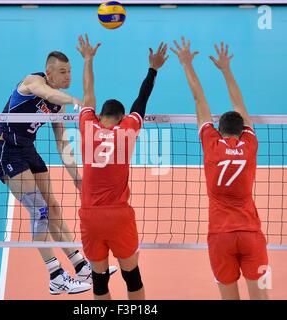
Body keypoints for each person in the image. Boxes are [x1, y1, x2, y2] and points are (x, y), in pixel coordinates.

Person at [0, 51, 116, 295]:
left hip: (27, 149)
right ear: (49, 73)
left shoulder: (58, 106)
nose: (68, 76)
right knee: (40, 211)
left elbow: (62, 143)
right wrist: (76, 101)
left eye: (69, 71)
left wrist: (76, 176)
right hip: (5, 149)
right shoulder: (32, 82)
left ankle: (81, 266)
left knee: (53, 207)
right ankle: (56, 275)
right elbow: (47, 94)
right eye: (62, 72)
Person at [171, 38, 269, 300]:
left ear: (218, 129)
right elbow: (240, 105)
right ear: (242, 129)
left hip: (220, 236)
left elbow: (199, 98)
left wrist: (186, 64)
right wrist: (226, 69)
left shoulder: (211, 144)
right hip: (250, 234)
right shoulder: (249, 144)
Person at [76, 34, 168, 300]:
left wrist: (88, 59)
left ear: (99, 115)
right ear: (121, 118)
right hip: (118, 216)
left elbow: (88, 94)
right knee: (132, 276)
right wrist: (153, 69)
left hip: (90, 216)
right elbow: (142, 99)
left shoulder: (87, 127)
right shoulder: (126, 131)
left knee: (99, 282)